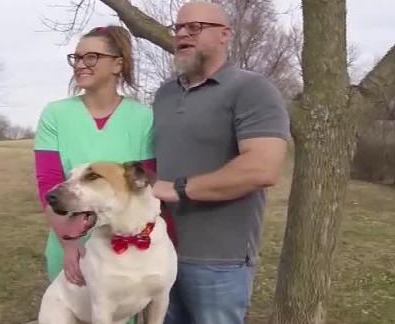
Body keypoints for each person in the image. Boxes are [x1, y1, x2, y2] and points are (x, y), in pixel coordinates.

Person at [151, 2, 290, 324]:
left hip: (219, 261)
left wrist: (179, 189)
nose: (182, 34)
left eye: (195, 27)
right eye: (178, 28)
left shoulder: (252, 89)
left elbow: (262, 168)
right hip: (159, 252)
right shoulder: (164, 95)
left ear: (225, 35)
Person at [33, 25, 176, 296]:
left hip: (128, 253)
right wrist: (69, 242)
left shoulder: (143, 118)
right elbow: (48, 185)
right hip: (71, 242)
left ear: (117, 64)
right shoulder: (55, 115)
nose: (81, 65)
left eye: (91, 57)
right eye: (76, 58)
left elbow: (145, 187)